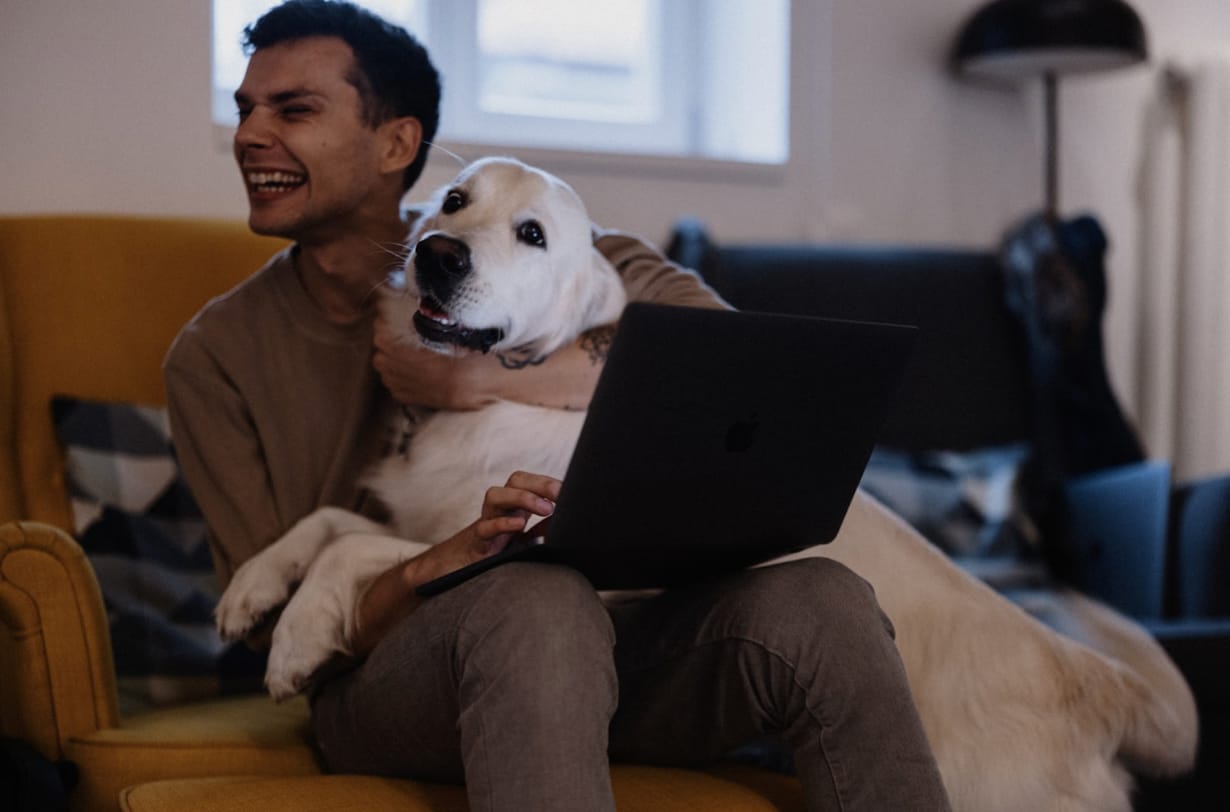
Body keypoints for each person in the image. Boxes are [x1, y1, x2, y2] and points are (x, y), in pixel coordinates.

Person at [165, 2, 951, 810]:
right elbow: (274, 637)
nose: (251, 133)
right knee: (534, 597)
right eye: (245, 108)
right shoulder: (213, 357)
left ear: (396, 143)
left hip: (611, 651)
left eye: (293, 109)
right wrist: (438, 562)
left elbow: (733, 371)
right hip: (387, 676)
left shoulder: (550, 238)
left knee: (823, 598)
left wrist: (479, 380)